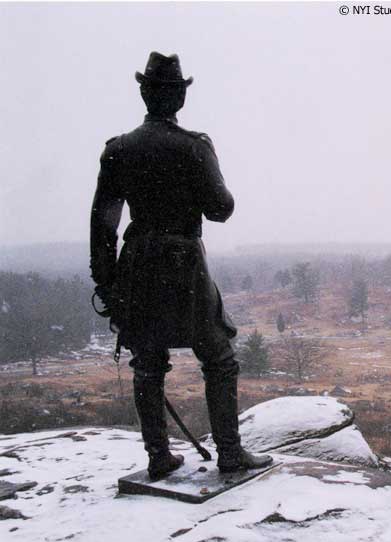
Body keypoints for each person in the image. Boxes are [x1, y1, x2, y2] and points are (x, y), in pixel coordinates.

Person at [89, 52, 272, 480]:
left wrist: (107, 281)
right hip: (183, 265)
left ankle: (158, 458)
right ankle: (229, 453)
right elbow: (220, 209)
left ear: (143, 93)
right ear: (180, 98)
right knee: (219, 359)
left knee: (148, 364)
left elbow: (104, 223)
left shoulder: (118, 151)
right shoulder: (194, 147)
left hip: (138, 264)